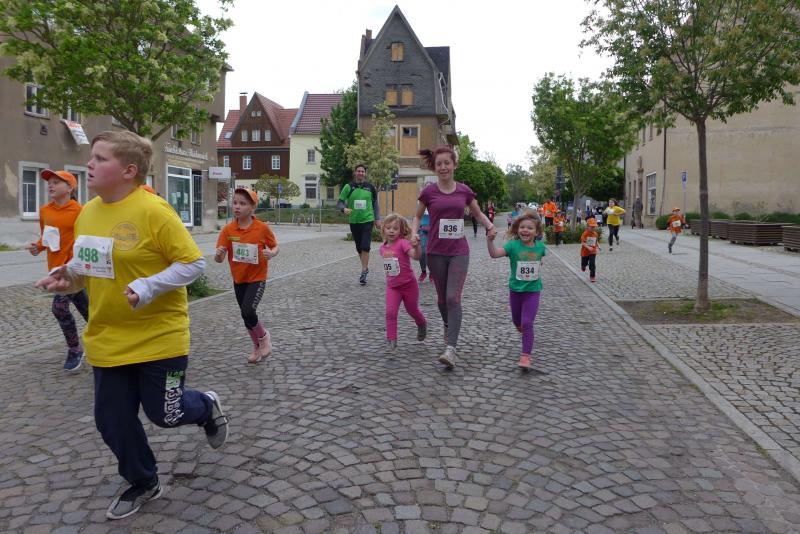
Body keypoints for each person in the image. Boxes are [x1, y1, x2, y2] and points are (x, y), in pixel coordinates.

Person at [35, 131, 227, 520]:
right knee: (112, 421)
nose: (89, 164)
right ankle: (144, 480)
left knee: (166, 413)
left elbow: (193, 263)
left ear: (128, 170)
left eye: (100, 158)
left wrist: (148, 286)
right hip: (108, 336)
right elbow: (86, 267)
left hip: (160, 337)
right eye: (92, 157)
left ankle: (206, 406)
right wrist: (66, 278)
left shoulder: (155, 211)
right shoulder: (88, 213)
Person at [411, 146, 496, 369]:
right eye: (439, 164)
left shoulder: (464, 191)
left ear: (454, 165)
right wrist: (414, 234)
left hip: (459, 252)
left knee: (452, 298)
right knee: (441, 299)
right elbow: (417, 216)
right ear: (435, 167)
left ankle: (451, 348)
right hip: (436, 252)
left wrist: (489, 226)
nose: (443, 167)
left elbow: (477, 213)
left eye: (447, 163)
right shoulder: (429, 192)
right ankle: (448, 325)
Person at [28, 169, 89, 371]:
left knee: (59, 308)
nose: (50, 185)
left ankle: (75, 349)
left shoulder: (80, 211)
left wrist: (76, 265)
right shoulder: (45, 210)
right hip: (55, 270)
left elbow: (86, 240)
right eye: (49, 182)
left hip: (73, 270)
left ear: (70, 188)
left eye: (56, 182)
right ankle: (108, 339)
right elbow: (47, 236)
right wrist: (38, 246)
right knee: (90, 312)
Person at [215, 187, 279, 363]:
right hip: (239, 279)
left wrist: (271, 253)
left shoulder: (262, 228)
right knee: (245, 316)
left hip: (257, 278)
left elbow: (275, 246)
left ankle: (264, 338)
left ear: (252, 207)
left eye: (242, 203)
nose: (237, 206)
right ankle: (257, 347)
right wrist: (219, 254)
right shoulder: (228, 230)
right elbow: (218, 259)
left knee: (248, 310)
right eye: (235, 202)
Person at [486, 210, 546, 370]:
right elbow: (494, 254)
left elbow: (540, 257)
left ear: (537, 232)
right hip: (515, 291)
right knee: (517, 321)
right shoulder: (512, 246)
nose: (525, 230)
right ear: (517, 229)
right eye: (522, 227)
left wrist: (538, 262)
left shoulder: (541, 247)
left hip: (533, 291)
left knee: (527, 322)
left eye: (530, 228)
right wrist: (490, 241)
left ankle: (526, 356)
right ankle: (521, 327)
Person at [380, 213, 427, 350]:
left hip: (409, 285)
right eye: (388, 228)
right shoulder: (382, 248)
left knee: (412, 310)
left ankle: (422, 323)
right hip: (393, 286)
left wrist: (417, 247)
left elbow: (416, 257)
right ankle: (391, 339)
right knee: (390, 312)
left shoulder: (403, 243)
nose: (391, 231)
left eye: (395, 228)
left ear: (401, 231)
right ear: (383, 229)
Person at [337, 164, 381, 285]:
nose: (360, 173)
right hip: (354, 221)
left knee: (365, 246)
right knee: (359, 247)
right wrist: (344, 209)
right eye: (358, 171)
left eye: (362, 171)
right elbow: (340, 202)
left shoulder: (370, 187)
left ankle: (363, 271)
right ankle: (365, 267)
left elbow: (375, 204)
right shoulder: (349, 187)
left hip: (368, 220)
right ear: (355, 173)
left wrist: (377, 218)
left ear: (365, 173)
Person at [580, 217, 601, 282]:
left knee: (592, 264)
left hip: (593, 251)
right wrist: (588, 247)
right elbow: (582, 243)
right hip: (585, 252)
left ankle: (592, 276)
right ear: (587, 226)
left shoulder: (595, 233)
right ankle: (583, 266)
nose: (593, 228)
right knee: (584, 262)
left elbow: (596, 241)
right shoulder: (585, 233)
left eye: (594, 227)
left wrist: (599, 246)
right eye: (591, 227)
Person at [418, 207, 430, 282]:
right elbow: (417, 216)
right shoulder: (421, 202)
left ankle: (432, 272)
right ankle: (423, 272)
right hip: (422, 229)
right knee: (422, 251)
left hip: (434, 229)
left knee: (432, 252)